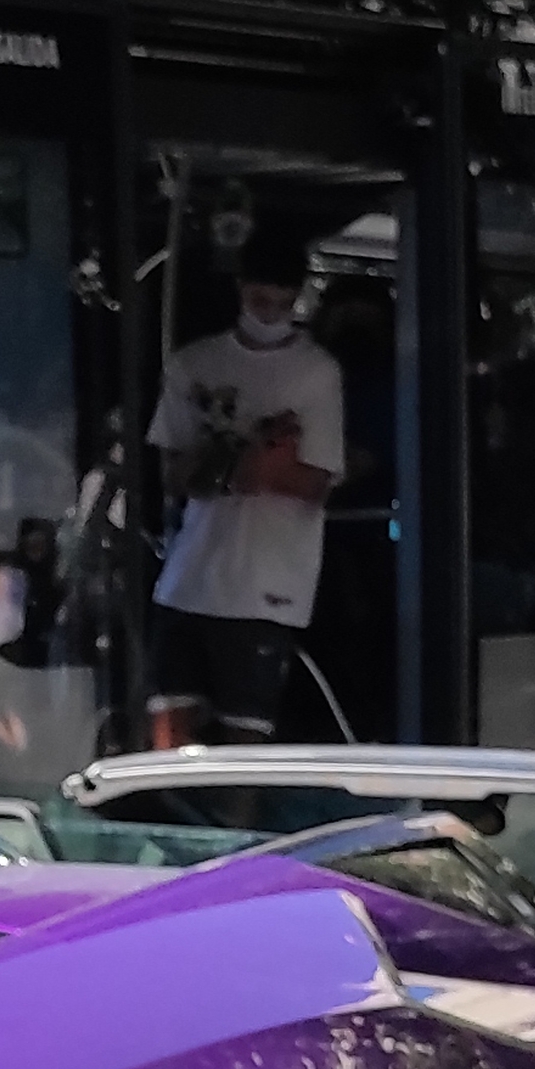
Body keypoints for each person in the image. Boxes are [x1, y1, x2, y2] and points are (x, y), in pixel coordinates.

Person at [144, 221, 344, 745]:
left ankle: (237, 822)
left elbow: (313, 480)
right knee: (169, 733)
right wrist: (252, 461)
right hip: (189, 576)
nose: (270, 312)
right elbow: (176, 474)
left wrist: (229, 468)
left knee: (246, 739)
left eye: (282, 302)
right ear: (240, 289)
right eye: (260, 299)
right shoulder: (195, 363)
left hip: (266, 586)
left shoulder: (316, 372)